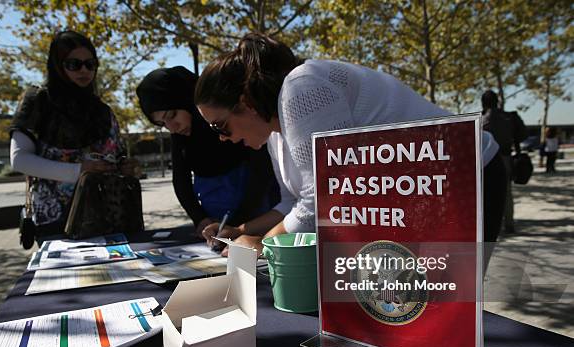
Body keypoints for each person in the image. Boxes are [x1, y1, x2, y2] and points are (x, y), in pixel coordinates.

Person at [195, 33, 506, 254]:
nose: (224, 139)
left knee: (443, 311)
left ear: (246, 102)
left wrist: (262, 246)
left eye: (219, 126)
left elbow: (325, 201)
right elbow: (293, 205)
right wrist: (242, 231)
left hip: (464, 176)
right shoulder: (276, 135)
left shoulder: (301, 86)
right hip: (421, 192)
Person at [10, 31, 136, 242]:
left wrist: (126, 166)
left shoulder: (103, 111)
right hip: (56, 221)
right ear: (58, 65)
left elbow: (117, 154)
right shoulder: (39, 101)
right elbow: (19, 159)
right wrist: (78, 170)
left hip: (108, 215)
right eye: (73, 64)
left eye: (90, 64)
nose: (84, 70)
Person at [136, 67, 279, 238]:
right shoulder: (180, 134)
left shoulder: (230, 119)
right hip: (216, 219)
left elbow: (262, 173)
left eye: (173, 114)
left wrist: (238, 225)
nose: (172, 128)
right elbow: (180, 179)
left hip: (259, 212)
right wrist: (200, 219)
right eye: (162, 123)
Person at [481, 90, 520, 233]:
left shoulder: (480, 119)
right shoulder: (510, 117)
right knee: (506, 192)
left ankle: (487, 223)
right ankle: (509, 223)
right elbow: (522, 134)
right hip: (505, 156)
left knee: (484, 193)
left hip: (485, 159)